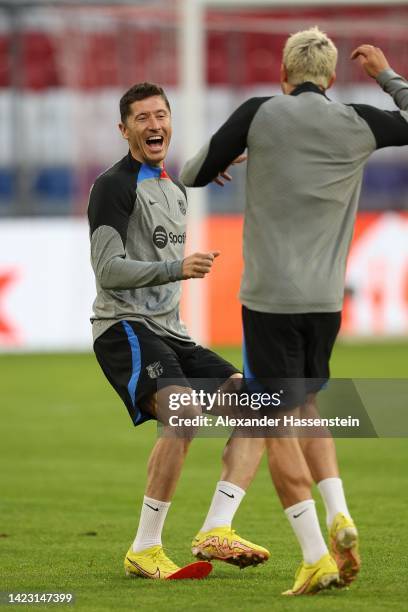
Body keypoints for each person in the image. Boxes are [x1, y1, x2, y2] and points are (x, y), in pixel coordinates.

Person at [181, 28, 408, 594]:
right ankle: (339, 512)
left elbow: (191, 172)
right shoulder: (358, 122)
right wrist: (385, 73)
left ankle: (313, 555)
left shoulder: (261, 113)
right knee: (306, 403)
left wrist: (231, 155)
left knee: (269, 419)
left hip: (269, 300)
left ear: (284, 75)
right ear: (332, 78)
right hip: (325, 302)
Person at [87, 82, 269, 580]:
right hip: (123, 326)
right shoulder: (113, 186)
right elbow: (108, 270)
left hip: (173, 333)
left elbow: (188, 174)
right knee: (184, 413)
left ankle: (217, 528)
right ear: (124, 130)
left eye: (161, 115)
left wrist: (217, 167)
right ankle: (144, 548)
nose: (154, 124)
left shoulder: (173, 187)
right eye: (142, 118)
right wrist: (175, 267)